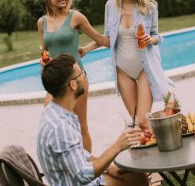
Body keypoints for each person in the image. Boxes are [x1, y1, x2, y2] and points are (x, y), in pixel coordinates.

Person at [80, 0, 174, 132]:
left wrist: (150, 39)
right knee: (136, 122)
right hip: (122, 69)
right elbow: (108, 38)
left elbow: (157, 36)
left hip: (144, 68)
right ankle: (150, 154)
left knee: (144, 121)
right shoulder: (111, 6)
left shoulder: (150, 6)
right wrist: (87, 48)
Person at [37, 53, 149, 186]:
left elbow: (77, 153)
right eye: (81, 73)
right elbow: (82, 175)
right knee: (137, 179)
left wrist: (108, 168)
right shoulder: (59, 126)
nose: (84, 76)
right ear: (73, 84)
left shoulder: (56, 111)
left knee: (134, 175)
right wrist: (117, 146)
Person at [37, 0, 108, 152]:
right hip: (55, 81)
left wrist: (87, 48)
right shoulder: (42, 22)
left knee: (80, 126)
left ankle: (88, 169)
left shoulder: (75, 17)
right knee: (53, 121)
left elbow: (101, 40)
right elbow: (45, 50)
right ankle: (67, 162)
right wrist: (43, 60)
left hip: (77, 78)